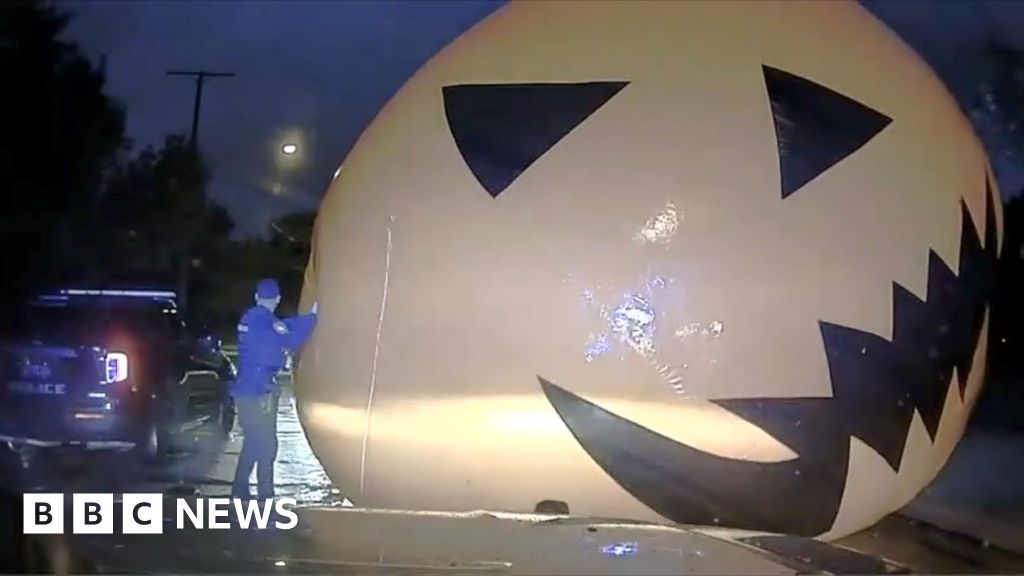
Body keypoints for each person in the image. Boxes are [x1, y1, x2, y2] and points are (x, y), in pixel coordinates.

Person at [231, 278, 317, 500]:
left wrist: (308, 318)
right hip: (261, 392)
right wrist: (314, 319)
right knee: (267, 447)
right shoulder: (269, 324)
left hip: (244, 391)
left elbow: (284, 325)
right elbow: (291, 338)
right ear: (277, 299)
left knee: (252, 442)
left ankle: (239, 492)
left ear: (256, 297)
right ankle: (265, 499)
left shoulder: (250, 318)